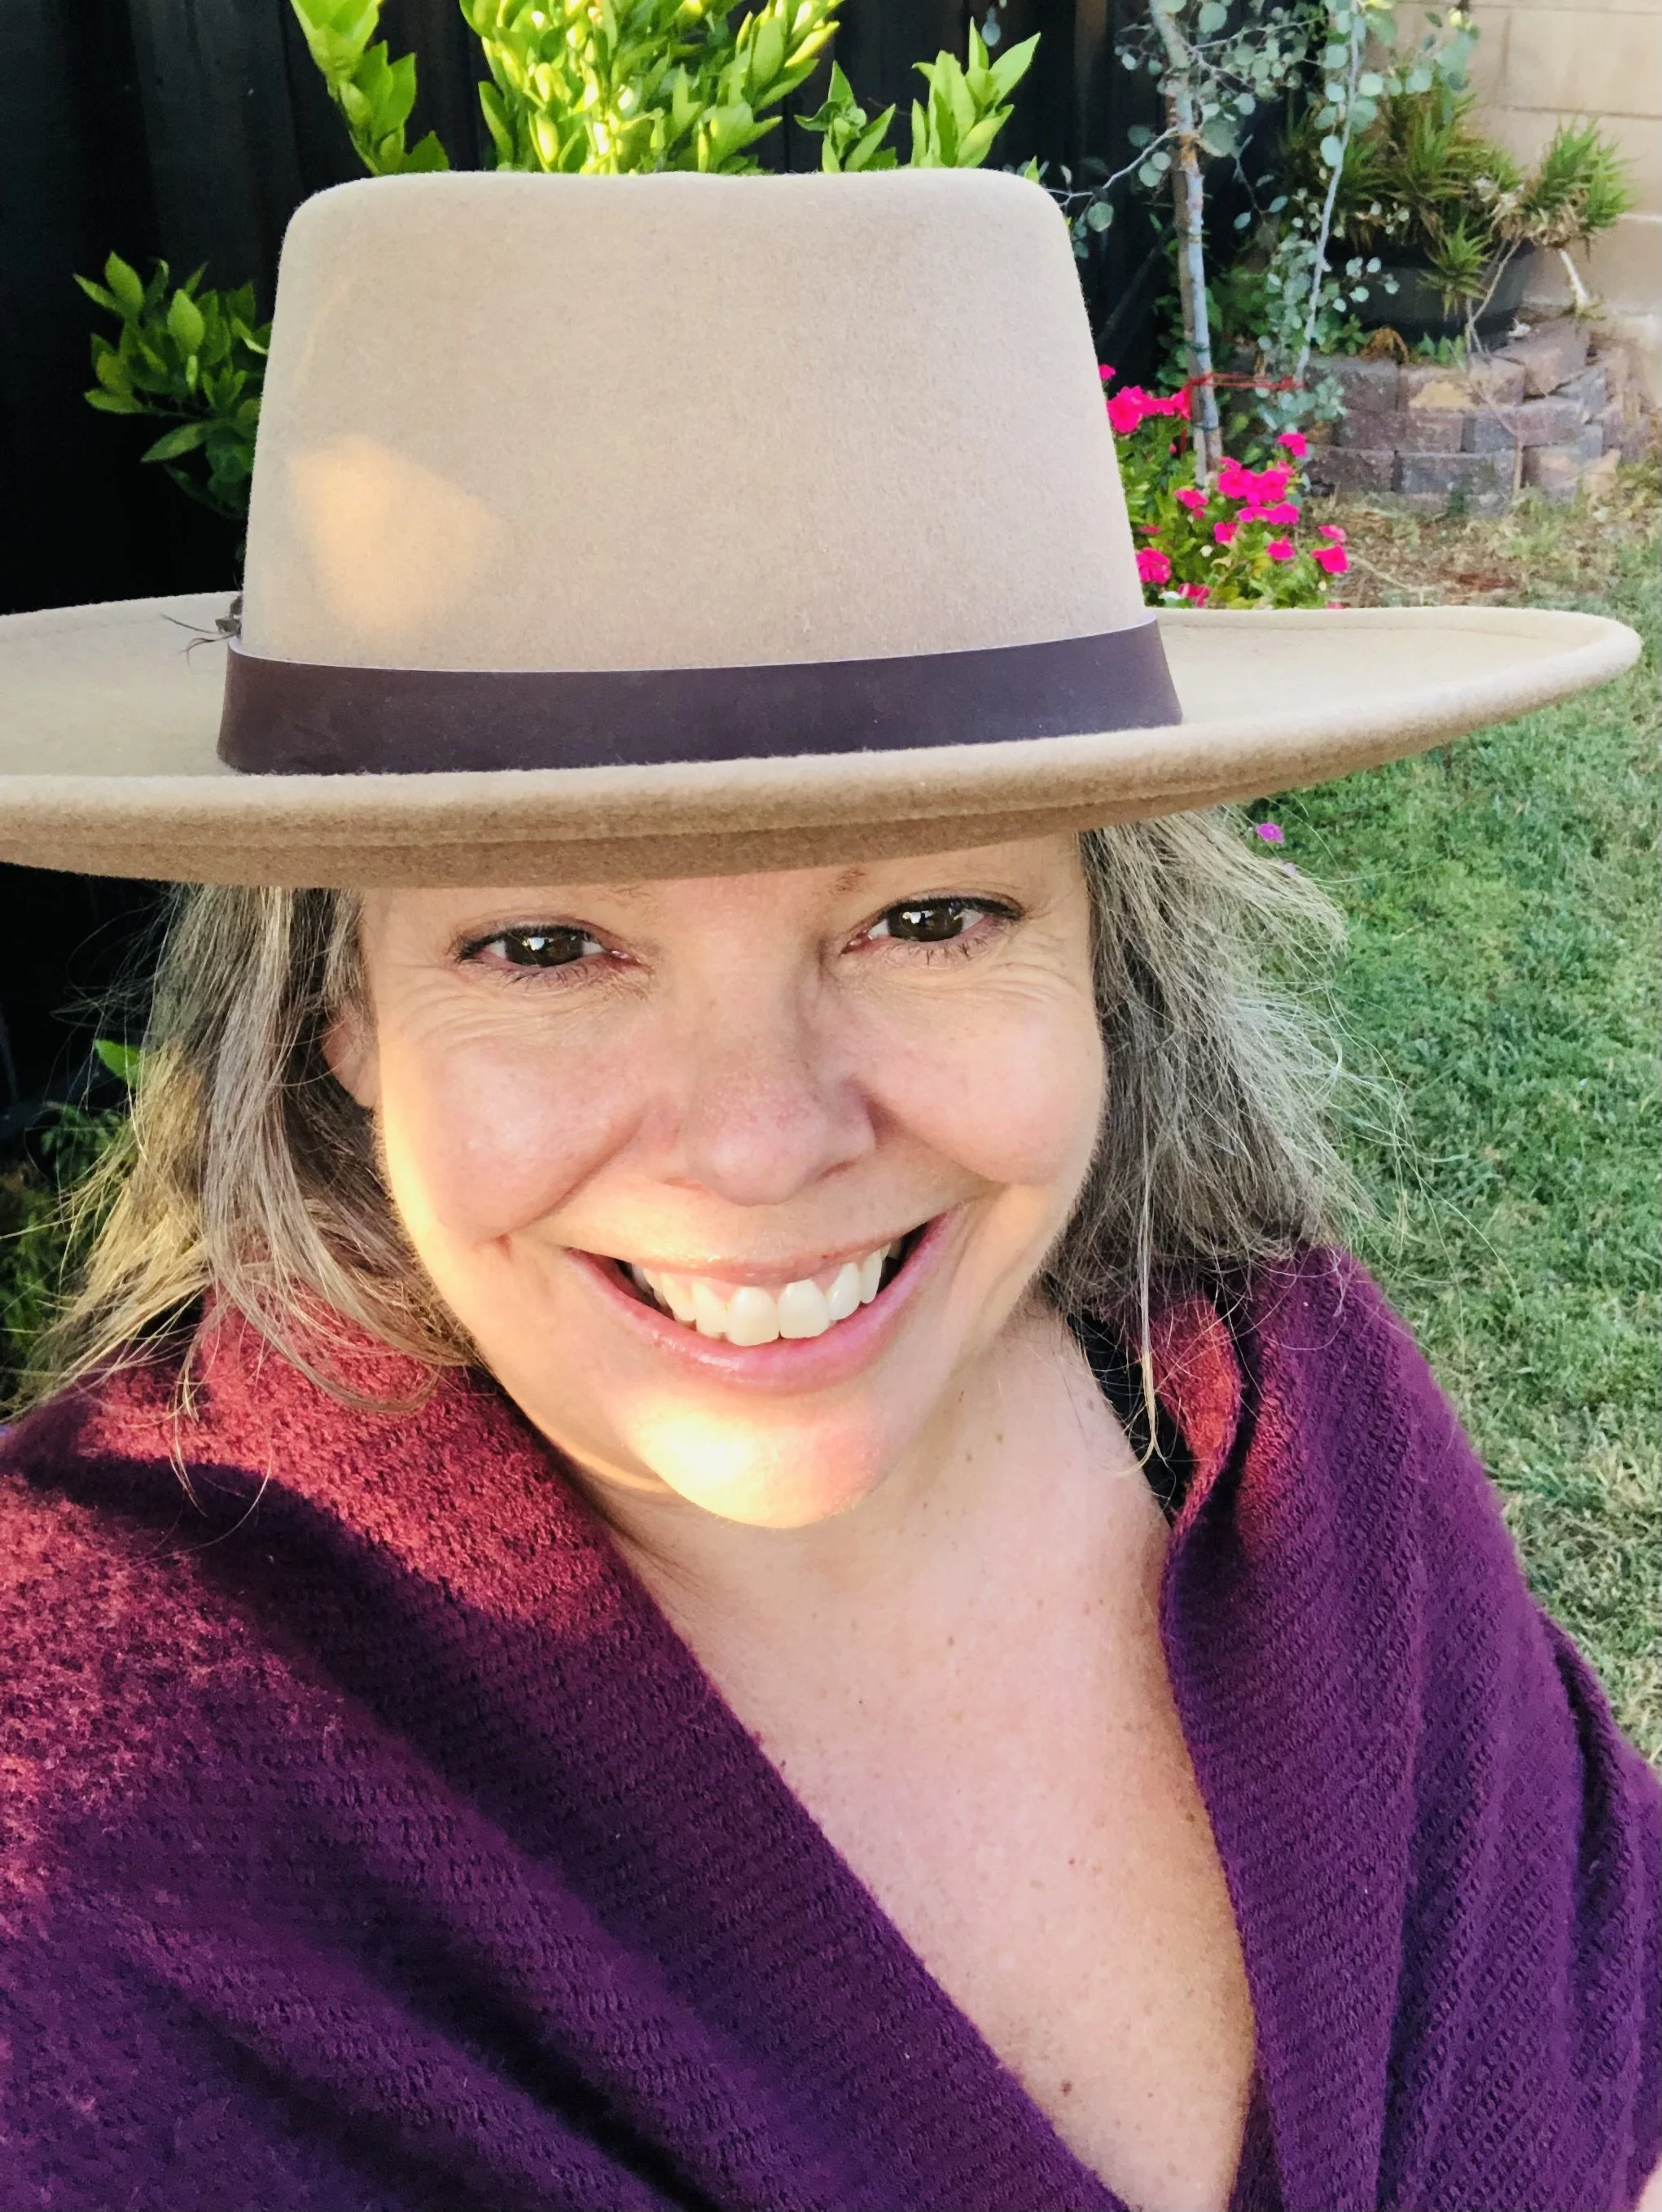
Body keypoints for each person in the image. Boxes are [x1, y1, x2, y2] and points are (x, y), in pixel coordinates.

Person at [0, 169, 1654, 2212]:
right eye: (542, 947)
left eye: (931, 914)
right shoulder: (93, 1781)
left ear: (1106, 963)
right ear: (336, 1016)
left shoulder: (1271, 1394)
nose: (764, 1142)